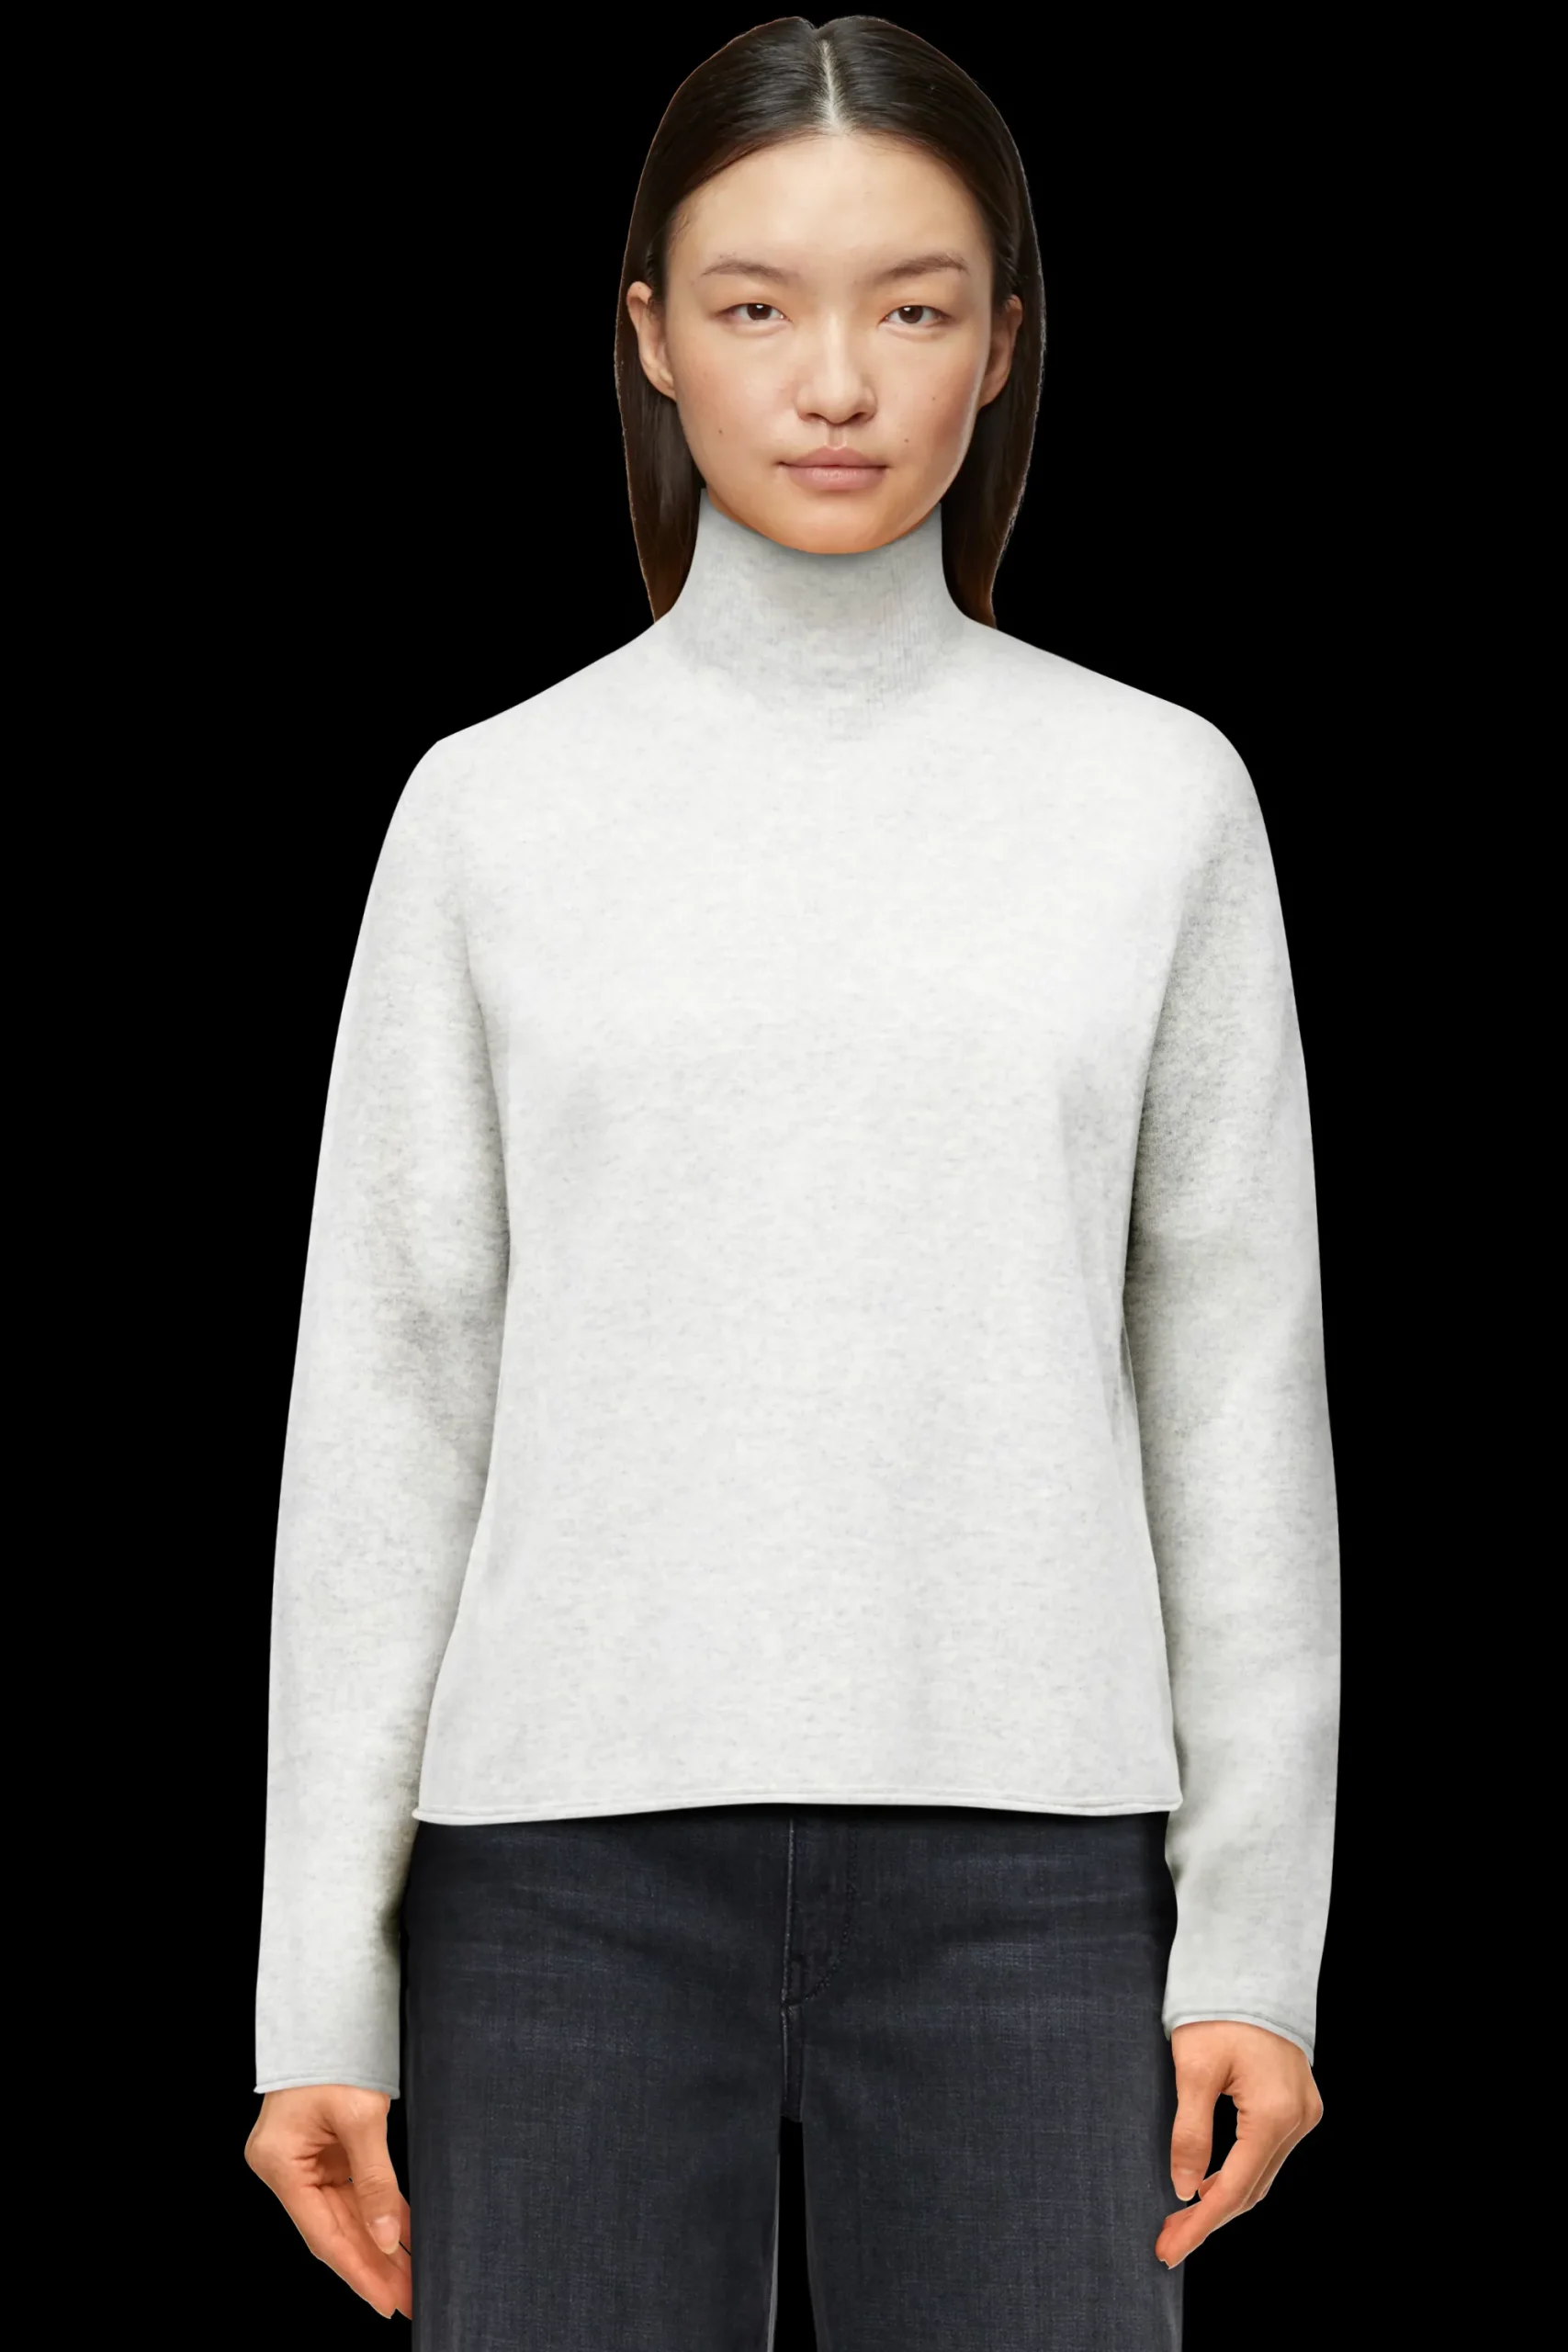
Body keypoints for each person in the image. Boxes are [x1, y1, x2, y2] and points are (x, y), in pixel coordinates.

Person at [244, 16, 1336, 2346]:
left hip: (1040, 1883)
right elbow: (391, 1412)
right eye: (757, 304)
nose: (834, 381)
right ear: (649, 334)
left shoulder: (1155, 798)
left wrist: (1254, 1938)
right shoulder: (489, 810)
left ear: (1003, 341)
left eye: (910, 305)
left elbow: (1232, 1395)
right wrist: (315, 1985)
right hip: (552, 1884)